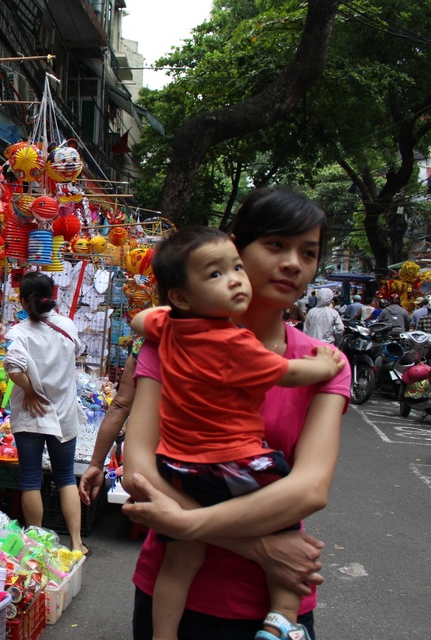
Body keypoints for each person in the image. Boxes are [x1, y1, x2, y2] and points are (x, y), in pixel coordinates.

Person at [121, 187, 351, 640]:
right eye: (275, 245)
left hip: (273, 602)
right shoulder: (170, 342)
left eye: (309, 252)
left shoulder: (322, 363)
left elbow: (309, 490)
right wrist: (262, 547)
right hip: (183, 596)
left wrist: (187, 523)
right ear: (236, 249)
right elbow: (138, 473)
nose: (293, 264)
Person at [4, 272, 86, 556]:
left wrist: (29, 392)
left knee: (30, 479)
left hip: (30, 415)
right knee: (65, 477)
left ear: (24, 301)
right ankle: (76, 543)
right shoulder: (67, 326)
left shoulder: (19, 332)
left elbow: (13, 369)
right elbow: (79, 350)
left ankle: (37, 545)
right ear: (52, 296)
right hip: (63, 414)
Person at [78, 344, 139, 506]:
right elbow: (120, 406)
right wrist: (96, 464)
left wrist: (96, 464)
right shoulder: (147, 345)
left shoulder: (148, 344)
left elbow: (120, 406)